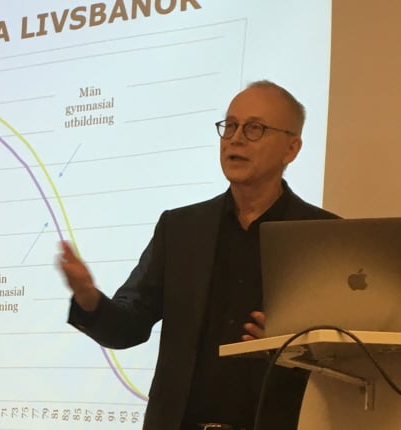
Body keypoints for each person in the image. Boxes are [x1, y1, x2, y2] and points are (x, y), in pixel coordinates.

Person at [58, 80, 339, 430]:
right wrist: (89, 299)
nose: (235, 139)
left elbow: (345, 357)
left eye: (254, 128)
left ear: (291, 148)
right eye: (230, 126)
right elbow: (129, 327)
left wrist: (294, 346)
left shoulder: (323, 236)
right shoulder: (181, 229)